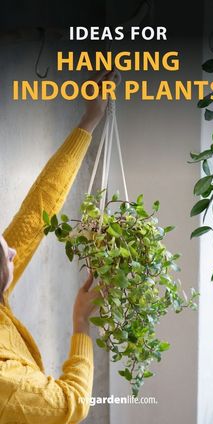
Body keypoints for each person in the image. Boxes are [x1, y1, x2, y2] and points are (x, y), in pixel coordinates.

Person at [0, 69, 116, 423]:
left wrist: (90, 120)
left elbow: (37, 212)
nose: (12, 250)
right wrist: (81, 322)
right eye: (2, 251)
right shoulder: (8, 388)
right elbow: (71, 402)